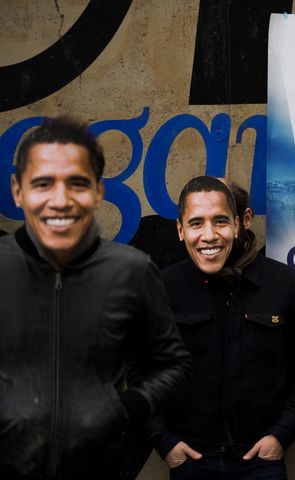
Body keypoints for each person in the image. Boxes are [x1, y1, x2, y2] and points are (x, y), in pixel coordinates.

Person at [0, 117, 192, 479]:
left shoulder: (132, 271)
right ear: (17, 190)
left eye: (77, 184)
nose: (60, 201)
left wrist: (127, 406)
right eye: (42, 184)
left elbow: (174, 364)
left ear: (98, 191)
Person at [149, 176, 295, 479]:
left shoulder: (287, 285)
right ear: (180, 230)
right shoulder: (162, 288)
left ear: (238, 223)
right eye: (196, 223)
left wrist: (282, 434)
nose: (209, 235)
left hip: (261, 462)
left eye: (220, 221)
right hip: (191, 462)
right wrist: (164, 441)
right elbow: (141, 369)